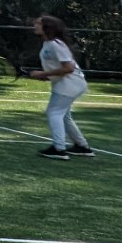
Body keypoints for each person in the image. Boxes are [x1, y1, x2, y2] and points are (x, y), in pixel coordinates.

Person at [30, 14, 94, 160]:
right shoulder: (48, 44)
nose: (35, 26)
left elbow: (69, 68)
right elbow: (59, 68)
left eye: (38, 24)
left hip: (70, 84)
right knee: (64, 115)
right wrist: (45, 76)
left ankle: (59, 149)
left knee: (54, 112)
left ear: (47, 27)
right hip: (68, 83)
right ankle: (82, 147)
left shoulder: (55, 44)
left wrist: (43, 73)